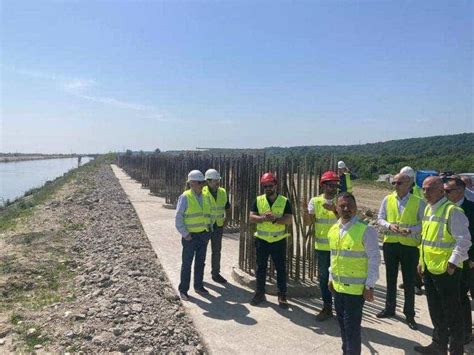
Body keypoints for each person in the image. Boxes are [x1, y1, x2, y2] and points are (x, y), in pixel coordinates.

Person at [414, 176, 471, 355]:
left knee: (453, 314)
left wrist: (453, 263)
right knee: (436, 310)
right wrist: (421, 262)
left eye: (430, 189)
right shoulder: (429, 210)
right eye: (423, 188)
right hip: (430, 269)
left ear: (441, 190)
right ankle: (438, 345)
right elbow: (426, 240)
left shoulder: (452, 211)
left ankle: (456, 351)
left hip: (447, 272)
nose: (425, 192)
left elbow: (464, 241)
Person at [328, 192, 381, 355]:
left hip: (355, 291)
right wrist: (331, 278)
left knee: (351, 330)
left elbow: (374, 259)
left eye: (350, 206)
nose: (346, 209)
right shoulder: (334, 230)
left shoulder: (366, 230)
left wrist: (369, 285)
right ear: (336, 208)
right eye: (342, 206)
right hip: (338, 289)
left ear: (356, 208)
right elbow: (333, 257)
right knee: (343, 327)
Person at [376, 173, 425, 330]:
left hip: (409, 246)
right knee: (391, 278)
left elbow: (424, 224)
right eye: (394, 182)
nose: (395, 185)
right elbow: (380, 218)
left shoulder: (418, 202)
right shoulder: (388, 199)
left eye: (399, 183)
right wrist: (389, 226)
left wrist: (410, 230)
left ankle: (409, 314)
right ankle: (390, 308)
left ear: (408, 184)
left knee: (409, 282)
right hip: (391, 244)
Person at [249, 172, 293, 309]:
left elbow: (289, 220)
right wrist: (263, 218)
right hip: (262, 240)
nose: (268, 188)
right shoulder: (258, 200)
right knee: (261, 268)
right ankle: (260, 293)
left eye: (270, 185)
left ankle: (282, 295)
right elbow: (251, 217)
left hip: (278, 240)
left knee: (280, 269)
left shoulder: (284, 201)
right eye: (265, 186)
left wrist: (275, 219)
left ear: (275, 185)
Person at [302, 171, 339, 321]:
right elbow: (307, 223)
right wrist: (305, 210)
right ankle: (327, 307)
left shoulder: (342, 199)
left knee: (340, 278)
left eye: (335, 184)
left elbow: (350, 220)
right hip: (322, 248)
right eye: (330, 185)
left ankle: (341, 309)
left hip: (341, 248)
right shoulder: (315, 201)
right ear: (323, 185)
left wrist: (335, 210)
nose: (333, 187)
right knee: (324, 278)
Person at [444, 176, 474, 345]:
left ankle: (466, 332)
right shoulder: (444, 208)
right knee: (450, 297)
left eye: (448, 191)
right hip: (447, 261)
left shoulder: (471, 209)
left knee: (461, 297)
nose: (445, 193)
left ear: (460, 191)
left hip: (466, 260)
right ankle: (452, 329)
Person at [175, 170, 213, 301]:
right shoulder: (185, 197)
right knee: (187, 264)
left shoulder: (205, 196)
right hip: (190, 237)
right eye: (200, 182)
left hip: (203, 235)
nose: (202, 185)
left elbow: (209, 214)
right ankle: (183, 290)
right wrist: (185, 234)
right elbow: (178, 218)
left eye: (202, 182)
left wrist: (209, 230)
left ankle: (198, 286)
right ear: (191, 183)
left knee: (200, 262)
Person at [203, 168, 231, 284]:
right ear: (208, 181)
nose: (218, 183)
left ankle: (216, 273)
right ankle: (199, 276)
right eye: (215, 181)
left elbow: (227, 207)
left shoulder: (222, 192)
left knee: (216, 251)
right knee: (202, 252)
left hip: (218, 226)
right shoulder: (202, 191)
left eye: (218, 180)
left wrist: (227, 219)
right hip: (205, 227)